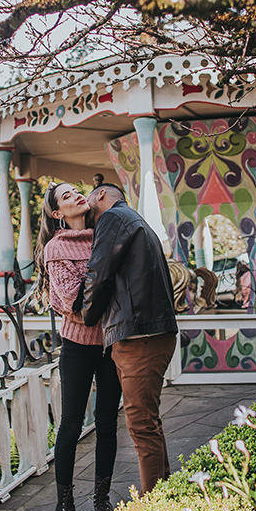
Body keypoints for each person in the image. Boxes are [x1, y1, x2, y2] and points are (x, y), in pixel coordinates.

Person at [35, 182, 122, 511]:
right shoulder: (58, 247)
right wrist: (104, 287)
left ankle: (101, 500)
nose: (77, 196)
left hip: (111, 342)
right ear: (58, 214)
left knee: (107, 423)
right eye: (67, 196)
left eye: (76, 191)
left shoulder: (104, 231)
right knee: (70, 425)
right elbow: (73, 301)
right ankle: (65, 506)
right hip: (78, 346)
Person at [82, 183, 178, 495]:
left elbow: (98, 274)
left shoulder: (112, 218)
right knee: (149, 423)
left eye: (86, 196)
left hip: (139, 336)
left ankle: (156, 510)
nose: (84, 204)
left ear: (101, 195)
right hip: (152, 333)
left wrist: (85, 315)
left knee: (140, 426)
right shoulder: (137, 221)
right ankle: (164, 495)